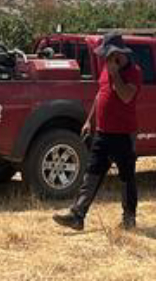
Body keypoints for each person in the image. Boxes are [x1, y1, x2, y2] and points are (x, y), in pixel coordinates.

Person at [53, 33, 141, 231]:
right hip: (102, 132)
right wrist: (89, 120)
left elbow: (126, 96)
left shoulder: (134, 72)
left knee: (127, 177)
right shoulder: (105, 69)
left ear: (117, 54)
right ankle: (77, 215)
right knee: (91, 174)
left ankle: (129, 218)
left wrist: (115, 73)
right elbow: (100, 95)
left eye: (107, 55)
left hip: (124, 134)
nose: (103, 59)